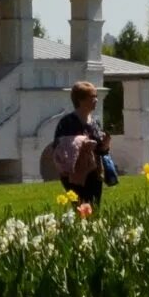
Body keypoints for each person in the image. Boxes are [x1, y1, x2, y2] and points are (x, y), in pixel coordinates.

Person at [53, 80, 111, 210]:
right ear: (80, 100)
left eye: (96, 96)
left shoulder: (95, 122)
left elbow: (101, 150)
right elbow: (60, 148)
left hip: (94, 173)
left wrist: (105, 144)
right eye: (92, 97)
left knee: (94, 208)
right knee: (80, 208)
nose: (96, 100)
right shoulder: (67, 123)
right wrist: (82, 143)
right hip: (74, 175)